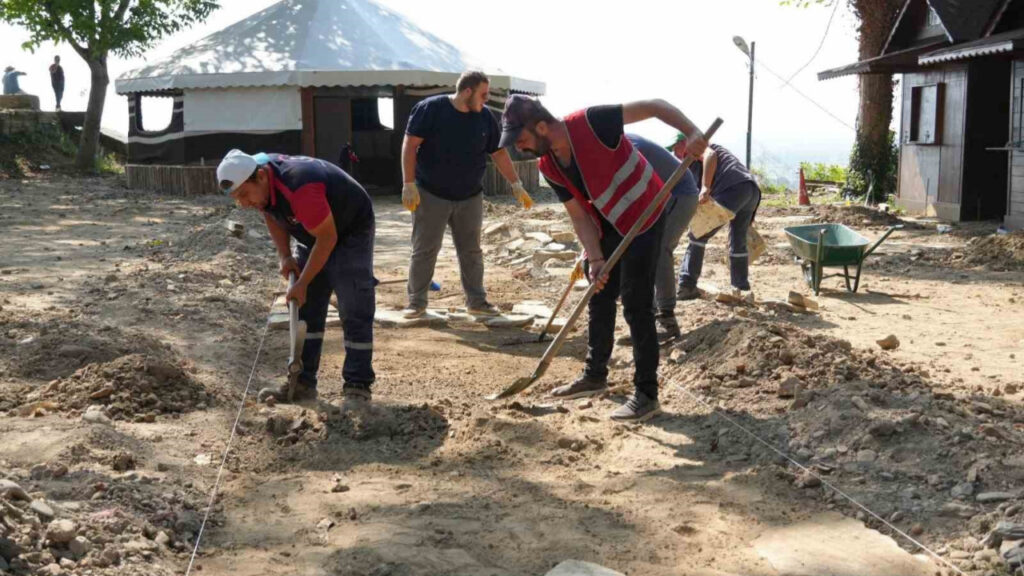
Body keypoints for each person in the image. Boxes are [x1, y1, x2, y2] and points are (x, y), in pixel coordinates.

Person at [501, 95, 707, 421]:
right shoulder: (548, 165)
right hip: (608, 222)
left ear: (541, 126)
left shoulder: (591, 122)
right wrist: (595, 259)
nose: (520, 148)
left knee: (636, 302)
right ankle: (595, 375)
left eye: (522, 139)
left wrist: (693, 132)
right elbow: (579, 215)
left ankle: (646, 394)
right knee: (599, 289)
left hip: (645, 212)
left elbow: (655, 106)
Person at [216, 150, 376, 406]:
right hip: (311, 228)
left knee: (354, 302)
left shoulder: (300, 186)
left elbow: (328, 238)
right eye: (237, 199)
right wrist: (285, 256)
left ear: (260, 177)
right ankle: (302, 382)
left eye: (244, 195)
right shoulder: (260, 179)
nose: (244, 203)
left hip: (349, 228)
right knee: (307, 308)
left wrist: (302, 283)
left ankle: (357, 385)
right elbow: (270, 212)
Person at [400, 70, 533, 319]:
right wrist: (408, 183)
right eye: (483, 94)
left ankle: (477, 301)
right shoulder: (430, 109)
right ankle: (416, 303)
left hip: (470, 196)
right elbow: (410, 144)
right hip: (431, 194)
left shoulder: (484, 117)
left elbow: (499, 153)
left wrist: (516, 184)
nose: (486, 99)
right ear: (467, 91)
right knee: (425, 249)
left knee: (471, 251)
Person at [626, 134, 699, 343]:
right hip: (661, 196)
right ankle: (647, 320)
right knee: (643, 251)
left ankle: (666, 319)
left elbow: (637, 187)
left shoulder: (627, 146)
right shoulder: (611, 146)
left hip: (680, 194)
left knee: (659, 250)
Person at [670, 135, 761, 298]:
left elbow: (710, 155)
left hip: (733, 188)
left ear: (684, 143)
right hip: (751, 190)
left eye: (675, 148)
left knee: (698, 233)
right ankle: (741, 288)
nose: (674, 153)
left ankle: (687, 285)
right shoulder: (694, 163)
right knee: (738, 239)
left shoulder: (700, 147)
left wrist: (705, 187)